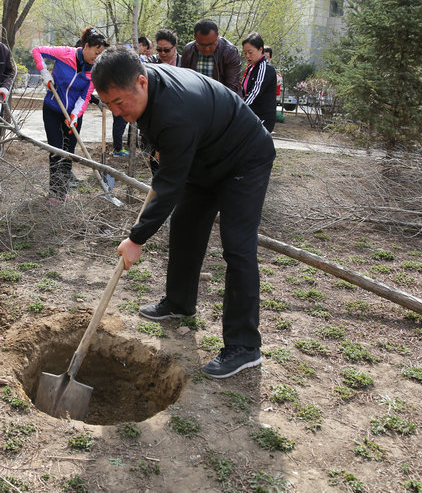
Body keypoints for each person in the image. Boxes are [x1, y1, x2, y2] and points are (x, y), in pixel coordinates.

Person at [92, 46, 275, 378]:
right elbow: (163, 158)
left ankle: (244, 346)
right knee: (186, 225)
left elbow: (170, 185)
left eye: (120, 102)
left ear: (141, 82)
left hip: (245, 158)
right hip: (205, 156)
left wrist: (137, 238)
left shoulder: (175, 110)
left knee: (237, 246)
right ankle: (179, 302)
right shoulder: (146, 88)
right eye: (109, 105)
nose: (117, 112)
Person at [32, 27, 109, 202]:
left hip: (73, 115)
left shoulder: (93, 70)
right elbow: (37, 51)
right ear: (86, 45)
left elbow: (85, 96)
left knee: (69, 152)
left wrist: (74, 116)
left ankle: (64, 190)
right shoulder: (65, 53)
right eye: (96, 52)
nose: (97, 58)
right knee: (56, 150)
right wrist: (44, 73)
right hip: (52, 109)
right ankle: (54, 192)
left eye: (101, 55)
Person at [146, 28, 181, 173]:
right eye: (159, 50)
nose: (162, 54)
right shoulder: (151, 64)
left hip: (180, 119)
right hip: (157, 120)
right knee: (156, 161)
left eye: (166, 50)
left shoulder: (185, 63)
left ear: (175, 47)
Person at [181, 19, 242, 96]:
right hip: (196, 98)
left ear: (217, 36)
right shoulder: (188, 50)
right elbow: (183, 80)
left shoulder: (229, 51)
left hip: (223, 98)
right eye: (202, 45)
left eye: (211, 44)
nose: (207, 49)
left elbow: (232, 87)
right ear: (195, 37)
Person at [241, 32, 277, 133]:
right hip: (250, 115)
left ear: (260, 49)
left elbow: (255, 92)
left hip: (262, 118)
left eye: (250, 52)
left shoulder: (264, 67)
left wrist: (239, 108)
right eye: (245, 53)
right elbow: (243, 90)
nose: (247, 56)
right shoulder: (251, 67)